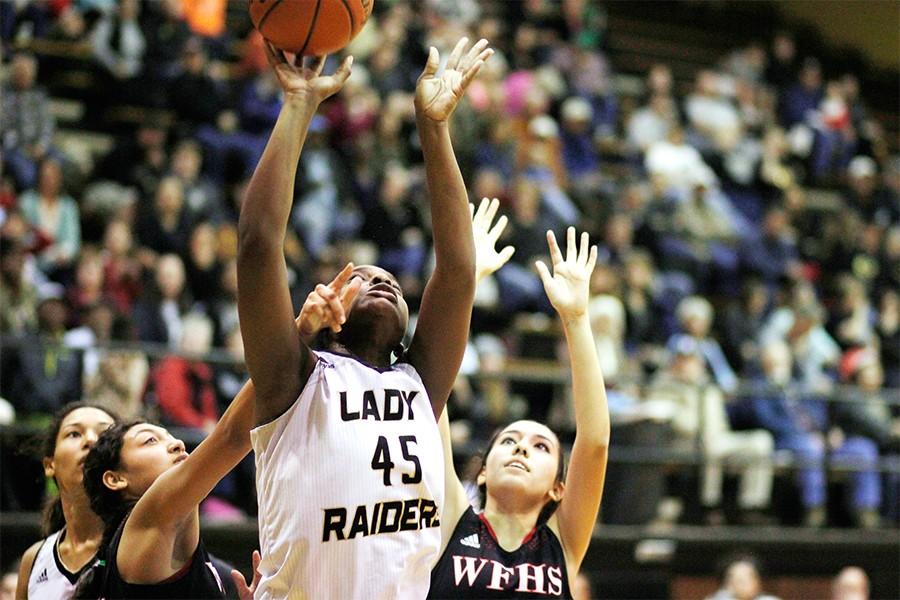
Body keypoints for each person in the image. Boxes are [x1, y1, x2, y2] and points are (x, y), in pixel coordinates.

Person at [237, 36, 492, 598]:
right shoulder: (294, 378)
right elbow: (258, 244)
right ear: (328, 308)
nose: (380, 281)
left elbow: (457, 271)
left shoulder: (420, 383)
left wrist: (433, 128)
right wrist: (299, 107)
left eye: (393, 284)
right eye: (360, 278)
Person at [428, 227, 608, 597]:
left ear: (559, 489)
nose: (521, 448)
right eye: (509, 440)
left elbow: (594, 442)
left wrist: (576, 319)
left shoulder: (562, 545)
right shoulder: (452, 524)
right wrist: (465, 282)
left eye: (541, 446)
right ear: (481, 474)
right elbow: (433, 388)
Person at [72, 378, 256, 598]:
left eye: (171, 437)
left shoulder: (186, 545)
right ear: (115, 479)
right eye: (150, 441)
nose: (177, 444)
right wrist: (283, 351)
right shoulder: (146, 517)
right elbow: (232, 436)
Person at [15, 403, 119, 600]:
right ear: (49, 465)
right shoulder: (34, 560)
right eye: (74, 434)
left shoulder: (137, 540)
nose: (90, 440)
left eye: (104, 434)